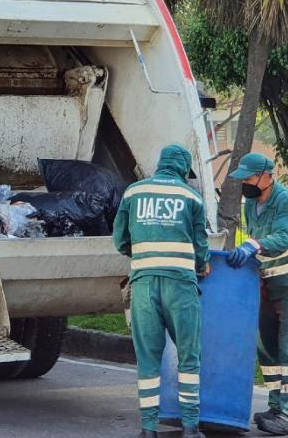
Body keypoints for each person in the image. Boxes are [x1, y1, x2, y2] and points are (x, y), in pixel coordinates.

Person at [114, 144, 210, 438]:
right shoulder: (191, 197)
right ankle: (191, 428)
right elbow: (201, 246)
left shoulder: (133, 192)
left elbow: (120, 240)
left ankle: (149, 429)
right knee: (188, 355)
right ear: (183, 168)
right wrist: (202, 265)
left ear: (160, 164)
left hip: (143, 284)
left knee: (147, 358)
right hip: (180, 286)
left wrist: (143, 254)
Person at [226, 153, 288, 436]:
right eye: (242, 178)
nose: (245, 183)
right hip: (266, 284)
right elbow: (256, 238)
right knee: (266, 349)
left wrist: (252, 246)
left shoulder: (287, 201)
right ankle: (276, 406)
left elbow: (281, 239)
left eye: (249, 178)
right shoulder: (251, 203)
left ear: (267, 175)